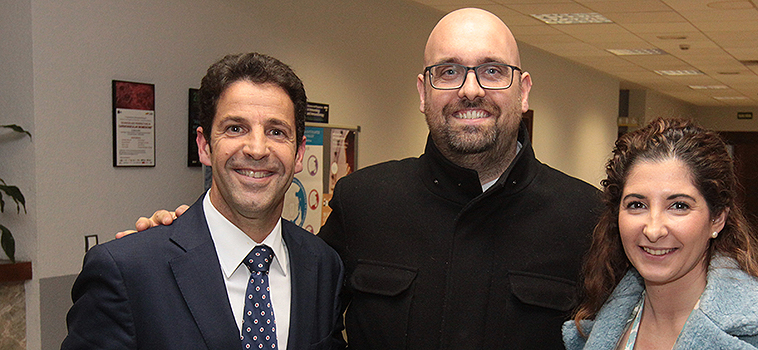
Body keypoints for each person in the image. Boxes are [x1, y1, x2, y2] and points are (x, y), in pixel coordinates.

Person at [124, 8, 602, 349]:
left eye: (493, 71)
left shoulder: (588, 219)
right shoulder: (365, 203)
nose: (470, 89)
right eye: (448, 71)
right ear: (423, 91)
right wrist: (192, 237)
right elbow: (284, 279)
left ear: (522, 90)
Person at [63, 53, 345, 350]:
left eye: (276, 132)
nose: (257, 149)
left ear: (299, 153)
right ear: (205, 146)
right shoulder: (128, 271)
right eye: (235, 128)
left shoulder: (323, 266)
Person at [563, 118, 758, 349]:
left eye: (679, 206)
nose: (653, 230)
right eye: (637, 205)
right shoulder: (604, 322)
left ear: (718, 218)